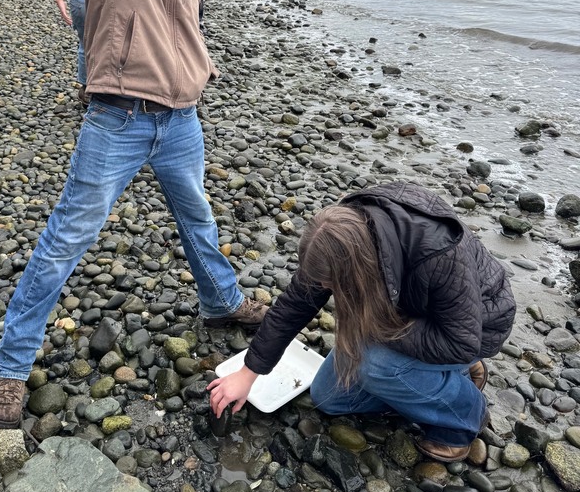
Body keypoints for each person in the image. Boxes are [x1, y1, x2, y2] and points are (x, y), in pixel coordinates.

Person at [0, 0, 268, 429]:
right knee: (65, 240)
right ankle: (10, 363)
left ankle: (221, 301)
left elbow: (183, 27)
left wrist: (198, 72)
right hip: (117, 120)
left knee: (198, 216)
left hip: (182, 119)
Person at [208, 181, 516, 463]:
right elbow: (295, 304)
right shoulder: (335, 238)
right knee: (328, 397)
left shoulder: (438, 253)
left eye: (332, 286)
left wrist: (375, 330)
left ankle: (463, 414)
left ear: (358, 271)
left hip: (476, 327)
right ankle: (439, 377)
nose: (327, 291)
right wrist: (249, 373)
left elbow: (461, 341)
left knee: (375, 364)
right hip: (410, 318)